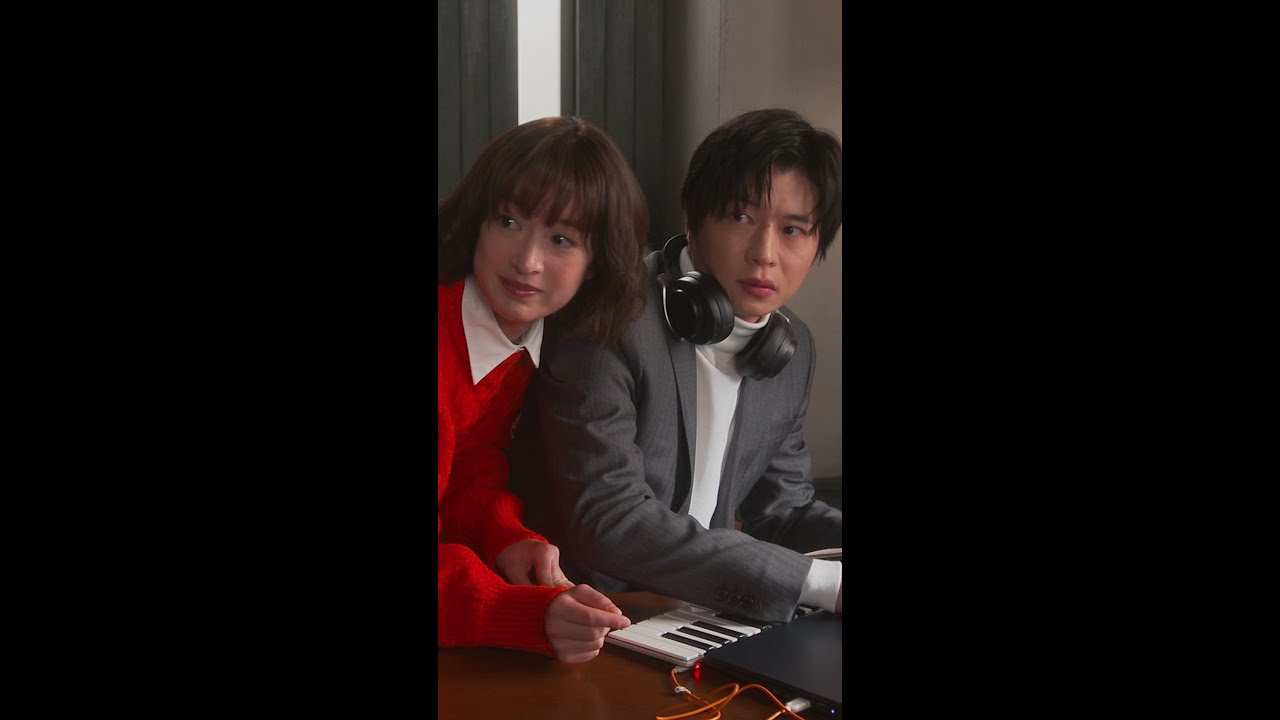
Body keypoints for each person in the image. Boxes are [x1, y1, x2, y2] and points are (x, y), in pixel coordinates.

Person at [510, 108, 843, 623]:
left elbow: (784, 511)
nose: (765, 253)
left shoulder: (791, 347)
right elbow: (611, 521)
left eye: (793, 229)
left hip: (698, 613)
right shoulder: (608, 317)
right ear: (693, 220)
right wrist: (824, 584)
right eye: (741, 218)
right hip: (581, 614)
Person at [437, 116, 650, 662]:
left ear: (596, 263)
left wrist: (508, 536)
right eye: (508, 221)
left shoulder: (522, 344)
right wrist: (514, 612)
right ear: (476, 221)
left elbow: (467, 462)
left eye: (560, 239)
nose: (526, 261)